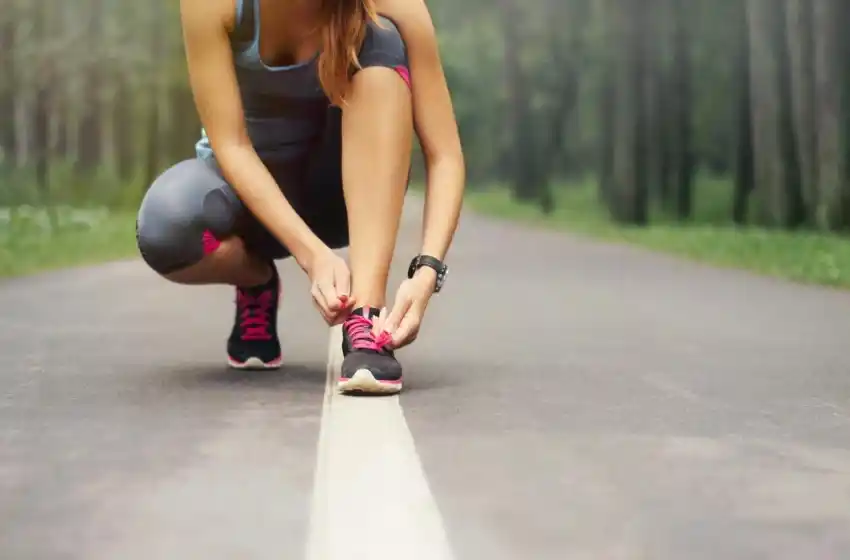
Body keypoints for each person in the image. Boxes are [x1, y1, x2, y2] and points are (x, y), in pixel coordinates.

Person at [135, 0, 465, 394]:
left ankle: (365, 318)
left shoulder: (397, 7)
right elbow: (232, 146)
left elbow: (444, 155)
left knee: (381, 38)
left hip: (342, 199)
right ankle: (256, 279)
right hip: (249, 201)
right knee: (167, 229)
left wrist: (427, 271)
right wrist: (313, 256)